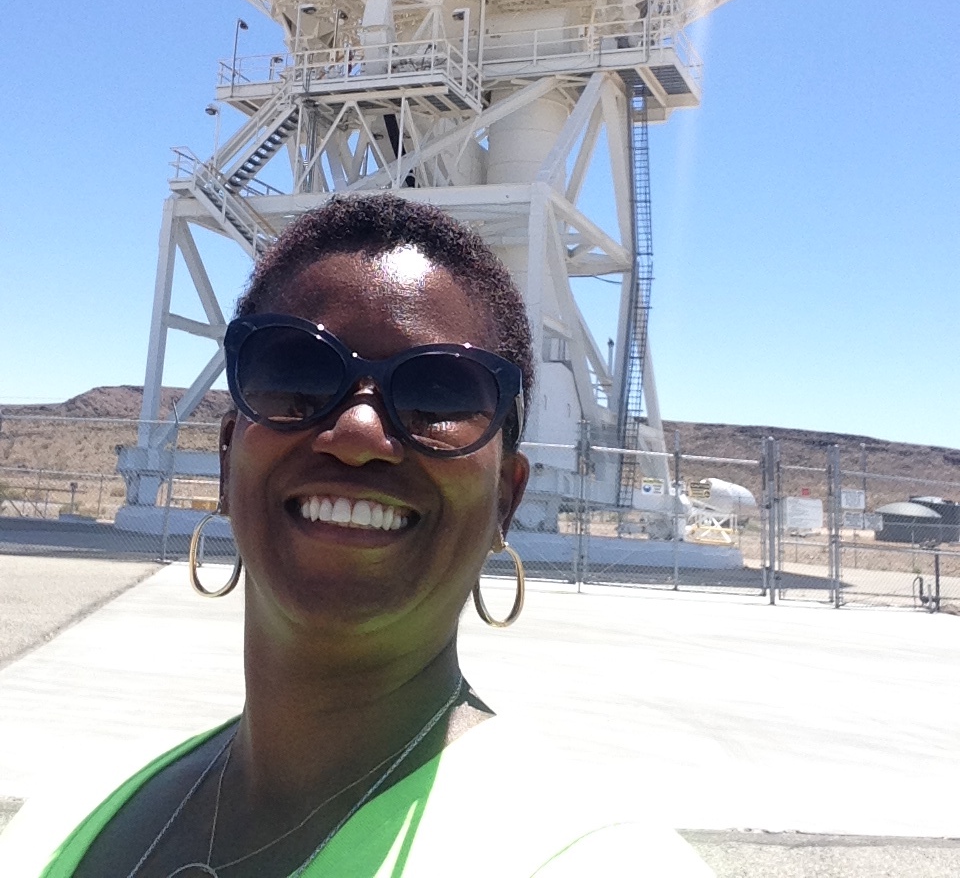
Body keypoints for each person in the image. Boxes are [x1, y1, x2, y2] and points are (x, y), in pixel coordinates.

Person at [8, 194, 713, 877]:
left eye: (439, 391)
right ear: (227, 463)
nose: (358, 434)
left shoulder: (597, 860)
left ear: (507, 497)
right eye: (295, 372)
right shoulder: (66, 815)